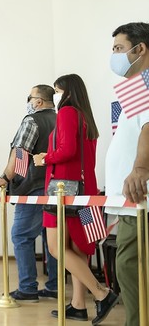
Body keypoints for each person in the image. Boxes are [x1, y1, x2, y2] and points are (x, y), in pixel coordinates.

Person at [33, 74, 118, 324]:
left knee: (56, 247)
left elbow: (67, 150)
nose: (56, 95)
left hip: (64, 189)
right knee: (78, 249)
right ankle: (78, 305)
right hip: (84, 188)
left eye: (57, 90)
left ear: (67, 92)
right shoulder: (86, 116)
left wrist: (45, 158)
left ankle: (102, 293)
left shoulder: (68, 112)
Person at [0, 84, 58, 302]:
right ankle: (55, 285)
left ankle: (28, 288)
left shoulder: (32, 120)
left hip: (33, 187)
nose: (28, 101)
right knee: (51, 237)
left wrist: (5, 177)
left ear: (38, 101)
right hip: (56, 185)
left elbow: (21, 154)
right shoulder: (59, 119)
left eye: (30, 97)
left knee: (21, 236)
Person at [105, 22, 149, 326]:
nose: (115, 56)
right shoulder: (134, 87)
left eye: (119, 49)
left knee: (130, 265)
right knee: (130, 266)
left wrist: (141, 168)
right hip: (129, 198)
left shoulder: (146, 82)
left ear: (140, 49)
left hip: (140, 196)